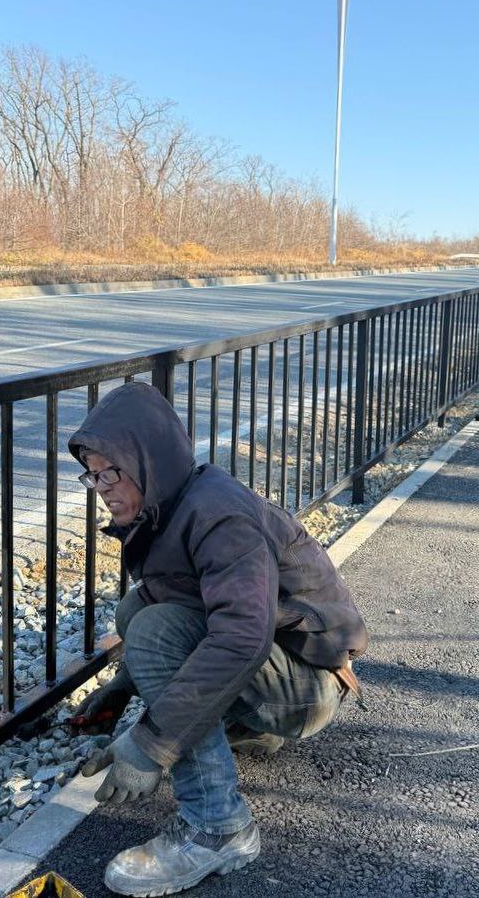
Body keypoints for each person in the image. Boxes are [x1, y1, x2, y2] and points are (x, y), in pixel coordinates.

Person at [66, 380, 368, 896]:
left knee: (155, 629)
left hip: (308, 684)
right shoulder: (171, 505)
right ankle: (249, 728)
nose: (103, 487)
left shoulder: (218, 516)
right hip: (282, 670)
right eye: (93, 475)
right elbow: (191, 606)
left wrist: (152, 744)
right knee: (138, 610)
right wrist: (127, 684)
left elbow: (241, 638)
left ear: (149, 461)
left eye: (112, 471)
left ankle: (217, 827)